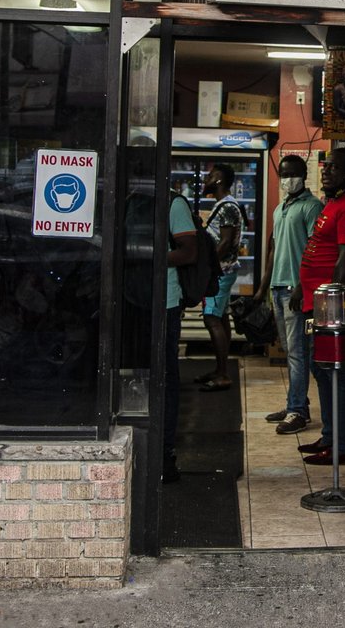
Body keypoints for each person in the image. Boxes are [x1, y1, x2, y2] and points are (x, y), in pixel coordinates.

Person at [296, 146, 345, 466]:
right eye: (325, 167)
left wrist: (330, 306)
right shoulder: (333, 203)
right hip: (317, 301)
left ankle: (343, 446)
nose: (326, 172)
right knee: (322, 369)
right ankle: (329, 437)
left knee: (338, 373)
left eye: (334, 168)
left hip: (336, 304)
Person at [256, 153, 322, 435]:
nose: (288, 179)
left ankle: (298, 412)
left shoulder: (312, 206)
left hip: (296, 291)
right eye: (284, 174)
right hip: (277, 288)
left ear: (304, 176)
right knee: (289, 350)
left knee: (298, 353)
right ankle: (296, 403)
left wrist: (302, 287)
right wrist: (263, 286)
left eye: (293, 174)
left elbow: (315, 250)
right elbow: (274, 249)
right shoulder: (280, 208)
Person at [161, 173, 200, 484]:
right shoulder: (128, 200)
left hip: (166, 303)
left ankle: (165, 452)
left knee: (165, 377)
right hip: (132, 300)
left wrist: (148, 257)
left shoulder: (173, 203)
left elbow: (189, 251)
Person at [197, 162, 243, 393]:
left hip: (221, 272)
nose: (206, 179)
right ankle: (220, 369)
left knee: (211, 318)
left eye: (210, 175)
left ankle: (223, 375)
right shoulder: (224, 205)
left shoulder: (227, 207)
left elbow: (225, 243)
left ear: (219, 180)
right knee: (221, 317)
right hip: (223, 270)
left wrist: (208, 267)